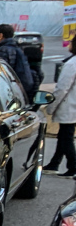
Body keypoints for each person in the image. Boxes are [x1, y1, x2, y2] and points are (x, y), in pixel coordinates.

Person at [44, 43, 76, 177]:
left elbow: (62, 88)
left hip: (69, 104)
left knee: (66, 137)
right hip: (73, 105)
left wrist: (51, 107)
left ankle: (73, 165)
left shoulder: (71, 64)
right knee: (63, 135)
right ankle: (54, 163)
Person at [0, 23, 35, 97]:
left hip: (8, 92)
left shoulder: (2, 50)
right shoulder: (16, 48)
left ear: (0, 36)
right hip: (20, 90)